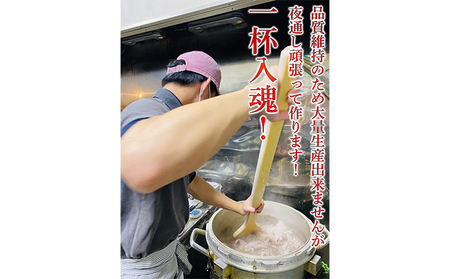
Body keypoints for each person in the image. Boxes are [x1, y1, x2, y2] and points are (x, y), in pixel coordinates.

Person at [120, 51, 292, 279]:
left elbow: (189, 181)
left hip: (161, 260)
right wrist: (252, 95)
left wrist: (237, 207)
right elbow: (141, 166)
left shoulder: (170, 123)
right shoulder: (147, 110)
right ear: (205, 89)